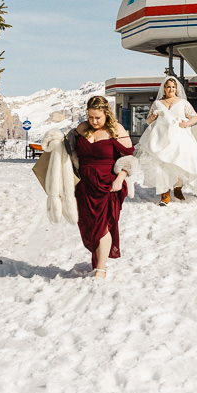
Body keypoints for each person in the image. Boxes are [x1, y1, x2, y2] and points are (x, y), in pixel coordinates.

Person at [73, 96, 135, 278]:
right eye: (91, 117)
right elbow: (69, 152)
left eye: (98, 117)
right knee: (89, 227)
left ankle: (101, 268)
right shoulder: (82, 129)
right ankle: (98, 262)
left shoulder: (116, 129)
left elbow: (129, 158)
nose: (94, 121)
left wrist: (120, 178)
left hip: (108, 185)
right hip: (84, 186)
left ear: (106, 114)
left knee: (103, 226)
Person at [137, 77, 197, 205]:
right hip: (160, 138)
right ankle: (165, 194)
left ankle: (178, 188)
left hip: (179, 137)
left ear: (177, 89)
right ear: (164, 88)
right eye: (169, 87)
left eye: (173, 87)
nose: (171, 89)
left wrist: (186, 124)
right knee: (161, 165)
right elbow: (148, 121)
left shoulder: (183, 103)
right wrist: (152, 118)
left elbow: (195, 117)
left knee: (178, 162)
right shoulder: (157, 103)